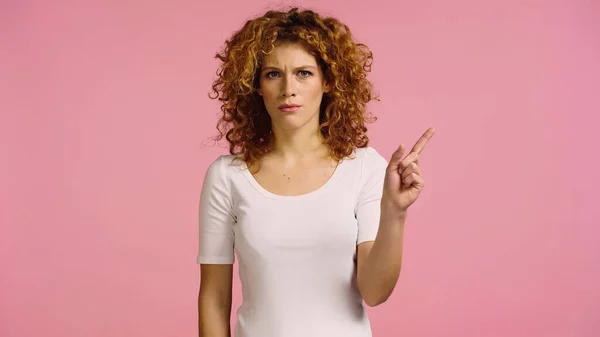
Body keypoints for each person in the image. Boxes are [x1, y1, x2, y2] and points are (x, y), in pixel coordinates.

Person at [196, 7, 435, 337]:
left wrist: (394, 213)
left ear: (328, 82)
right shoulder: (227, 176)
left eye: (304, 73)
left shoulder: (365, 168)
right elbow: (214, 297)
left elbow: (375, 291)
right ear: (255, 86)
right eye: (273, 74)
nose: (288, 88)